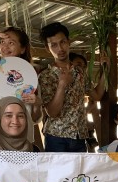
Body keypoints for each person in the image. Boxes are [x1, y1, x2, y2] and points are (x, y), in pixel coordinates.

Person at [38, 22, 105, 152]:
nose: (60, 48)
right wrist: (62, 85)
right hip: (56, 137)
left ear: (69, 42)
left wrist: (105, 69)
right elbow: (52, 112)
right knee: (58, 173)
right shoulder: (46, 76)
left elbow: (97, 95)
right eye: (54, 45)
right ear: (48, 48)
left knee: (79, 173)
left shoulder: (80, 72)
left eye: (62, 42)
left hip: (79, 136)